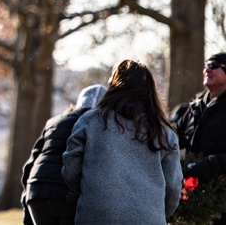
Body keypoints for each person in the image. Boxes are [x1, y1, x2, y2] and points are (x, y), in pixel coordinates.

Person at [62, 59, 182, 225]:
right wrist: (157, 211)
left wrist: (91, 191)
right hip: (148, 218)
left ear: (113, 85)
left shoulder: (90, 121)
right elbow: (174, 188)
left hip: (97, 216)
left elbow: (71, 168)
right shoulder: (164, 133)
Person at [20, 84, 107, 225]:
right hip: (66, 194)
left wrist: (27, 199)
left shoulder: (54, 122)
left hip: (37, 190)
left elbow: (30, 165)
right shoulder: (97, 125)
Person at [172, 51, 226, 224]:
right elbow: (172, 136)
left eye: (213, 66)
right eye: (206, 66)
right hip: (194, 196)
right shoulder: (194, 106)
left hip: (221, 201)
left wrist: (210, 165)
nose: (207, 70)